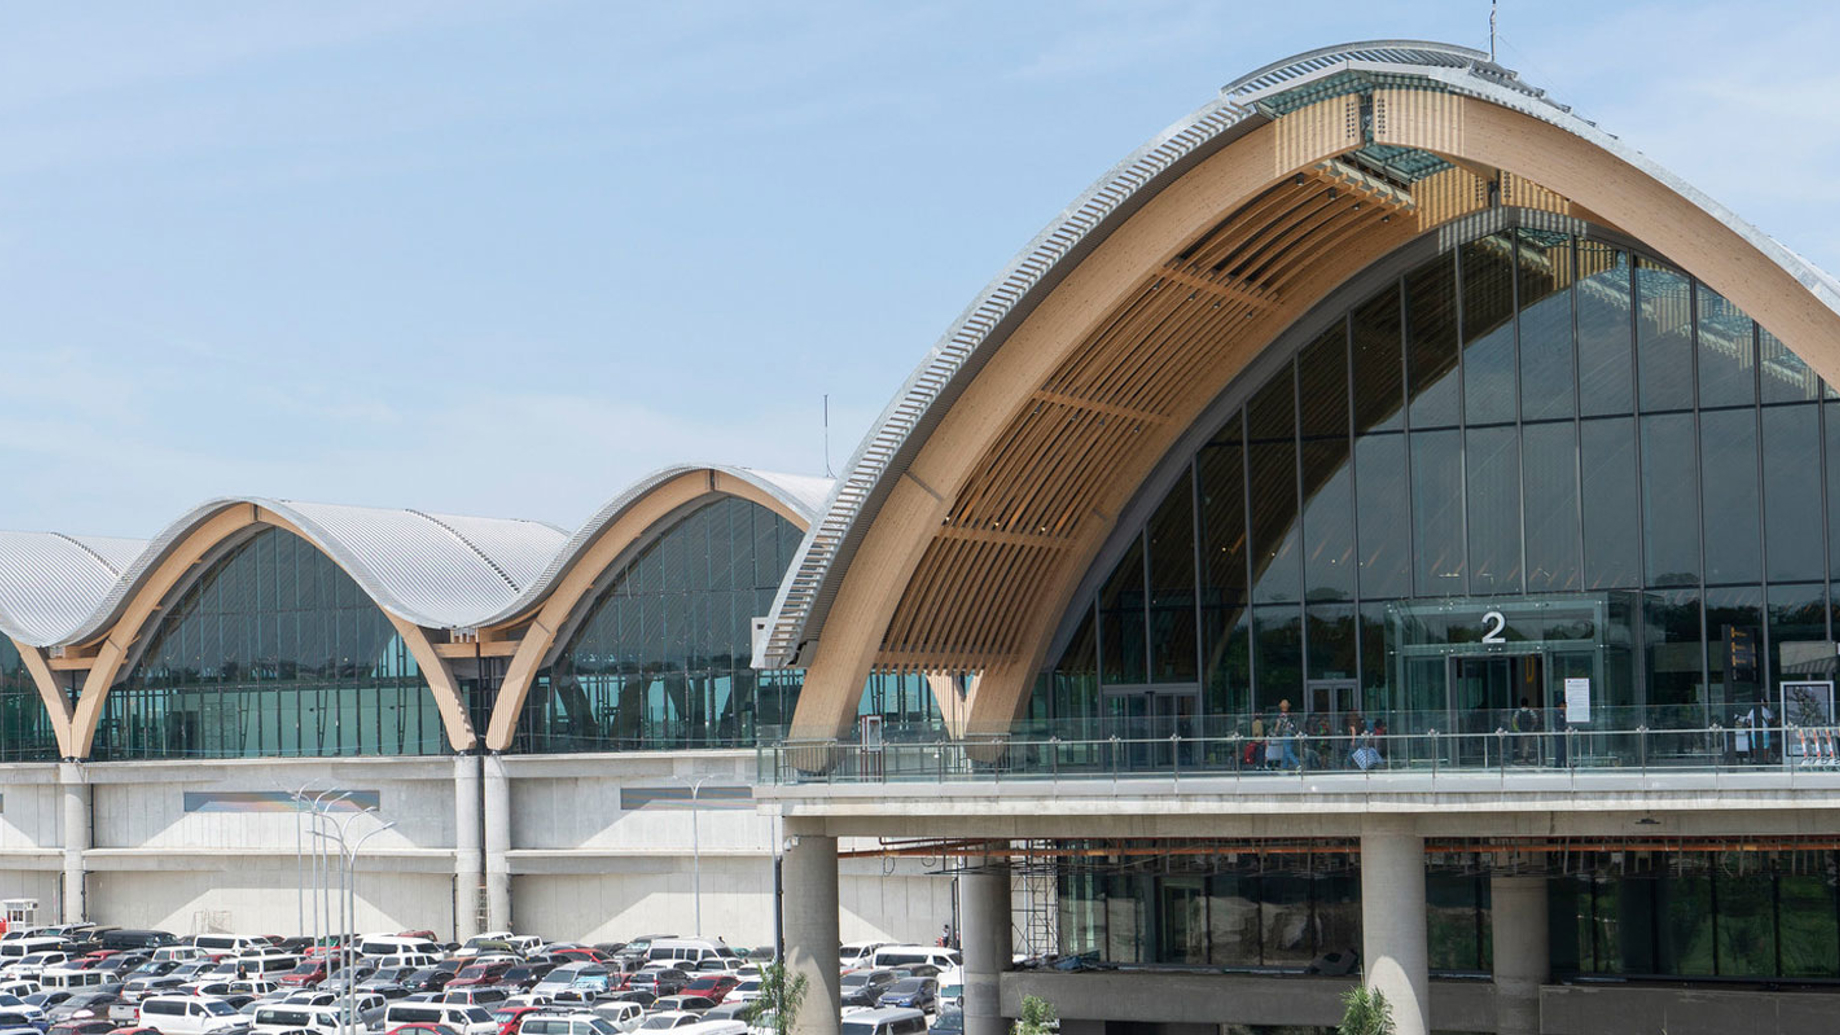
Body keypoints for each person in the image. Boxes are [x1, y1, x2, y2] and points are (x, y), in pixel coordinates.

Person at [1273, 699, 1301, 771]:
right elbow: (1294, 725)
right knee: (1285, 750)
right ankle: (1284, 766)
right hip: (1291, 734)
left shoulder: (1281, 716)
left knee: (1288, 751)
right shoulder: (1290, 715)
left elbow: (1278, 725)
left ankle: (1297, 764)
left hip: (1285, 734)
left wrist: (1275, 733)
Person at [1511, 697, 1540, 764]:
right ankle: (1525, 757)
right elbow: (1535, 719)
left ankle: (1522, 757)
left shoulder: (1518, 712)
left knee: (1521, 744)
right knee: (1526, 744)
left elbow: (1514, 720)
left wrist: (1516, 729)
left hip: (1520, 730)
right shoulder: (1530, 711)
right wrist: (1532, 727)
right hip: (1528, 730)